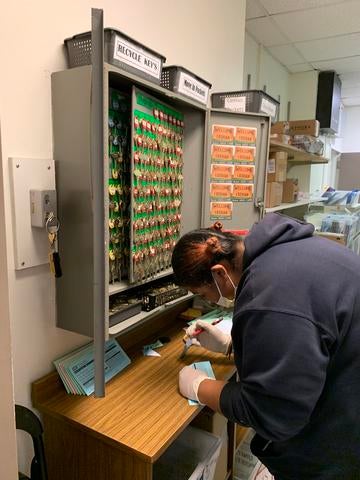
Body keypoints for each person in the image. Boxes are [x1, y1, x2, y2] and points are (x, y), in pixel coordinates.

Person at [171, 213, 360, 480]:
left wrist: (200, 387)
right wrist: (232, 346)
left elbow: (271, 413)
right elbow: (306, 343)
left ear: (219, 273)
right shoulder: (284, 250)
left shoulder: (269, 293)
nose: (212, 301)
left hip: (341, 443)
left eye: (204, 294)